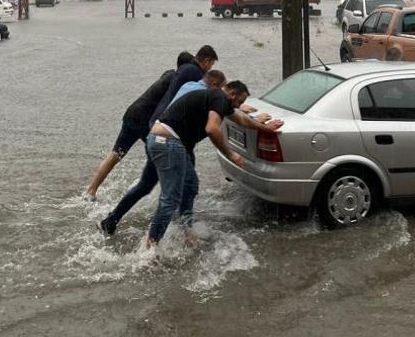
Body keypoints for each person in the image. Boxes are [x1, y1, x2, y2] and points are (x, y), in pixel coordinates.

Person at [99, 81, 284, 244]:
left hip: (156, 139)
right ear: (232, 94)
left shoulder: (217, 99)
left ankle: (111, 222)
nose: (240, 105)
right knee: (170, 198)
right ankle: (151, 245)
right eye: (240, 101)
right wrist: (231, 154)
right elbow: (212, 129)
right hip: (169, 143)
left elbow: (242, 119)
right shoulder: (219, 98)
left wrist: (265, 128)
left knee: (174, 184)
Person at [84, 51, 194, 200]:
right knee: (163, 155)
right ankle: (166, 194)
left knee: (116, 154)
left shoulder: (169, 74)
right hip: (144, 121)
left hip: (132, 114)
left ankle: (91, 191)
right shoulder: (176, 82)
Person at [148, 45, 218, 126]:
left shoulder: (186, 67)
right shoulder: (194, 72)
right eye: (211, 64)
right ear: (207, 61)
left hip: (158, 117)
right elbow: (210, 92)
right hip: (165, 121)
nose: (210, 68)